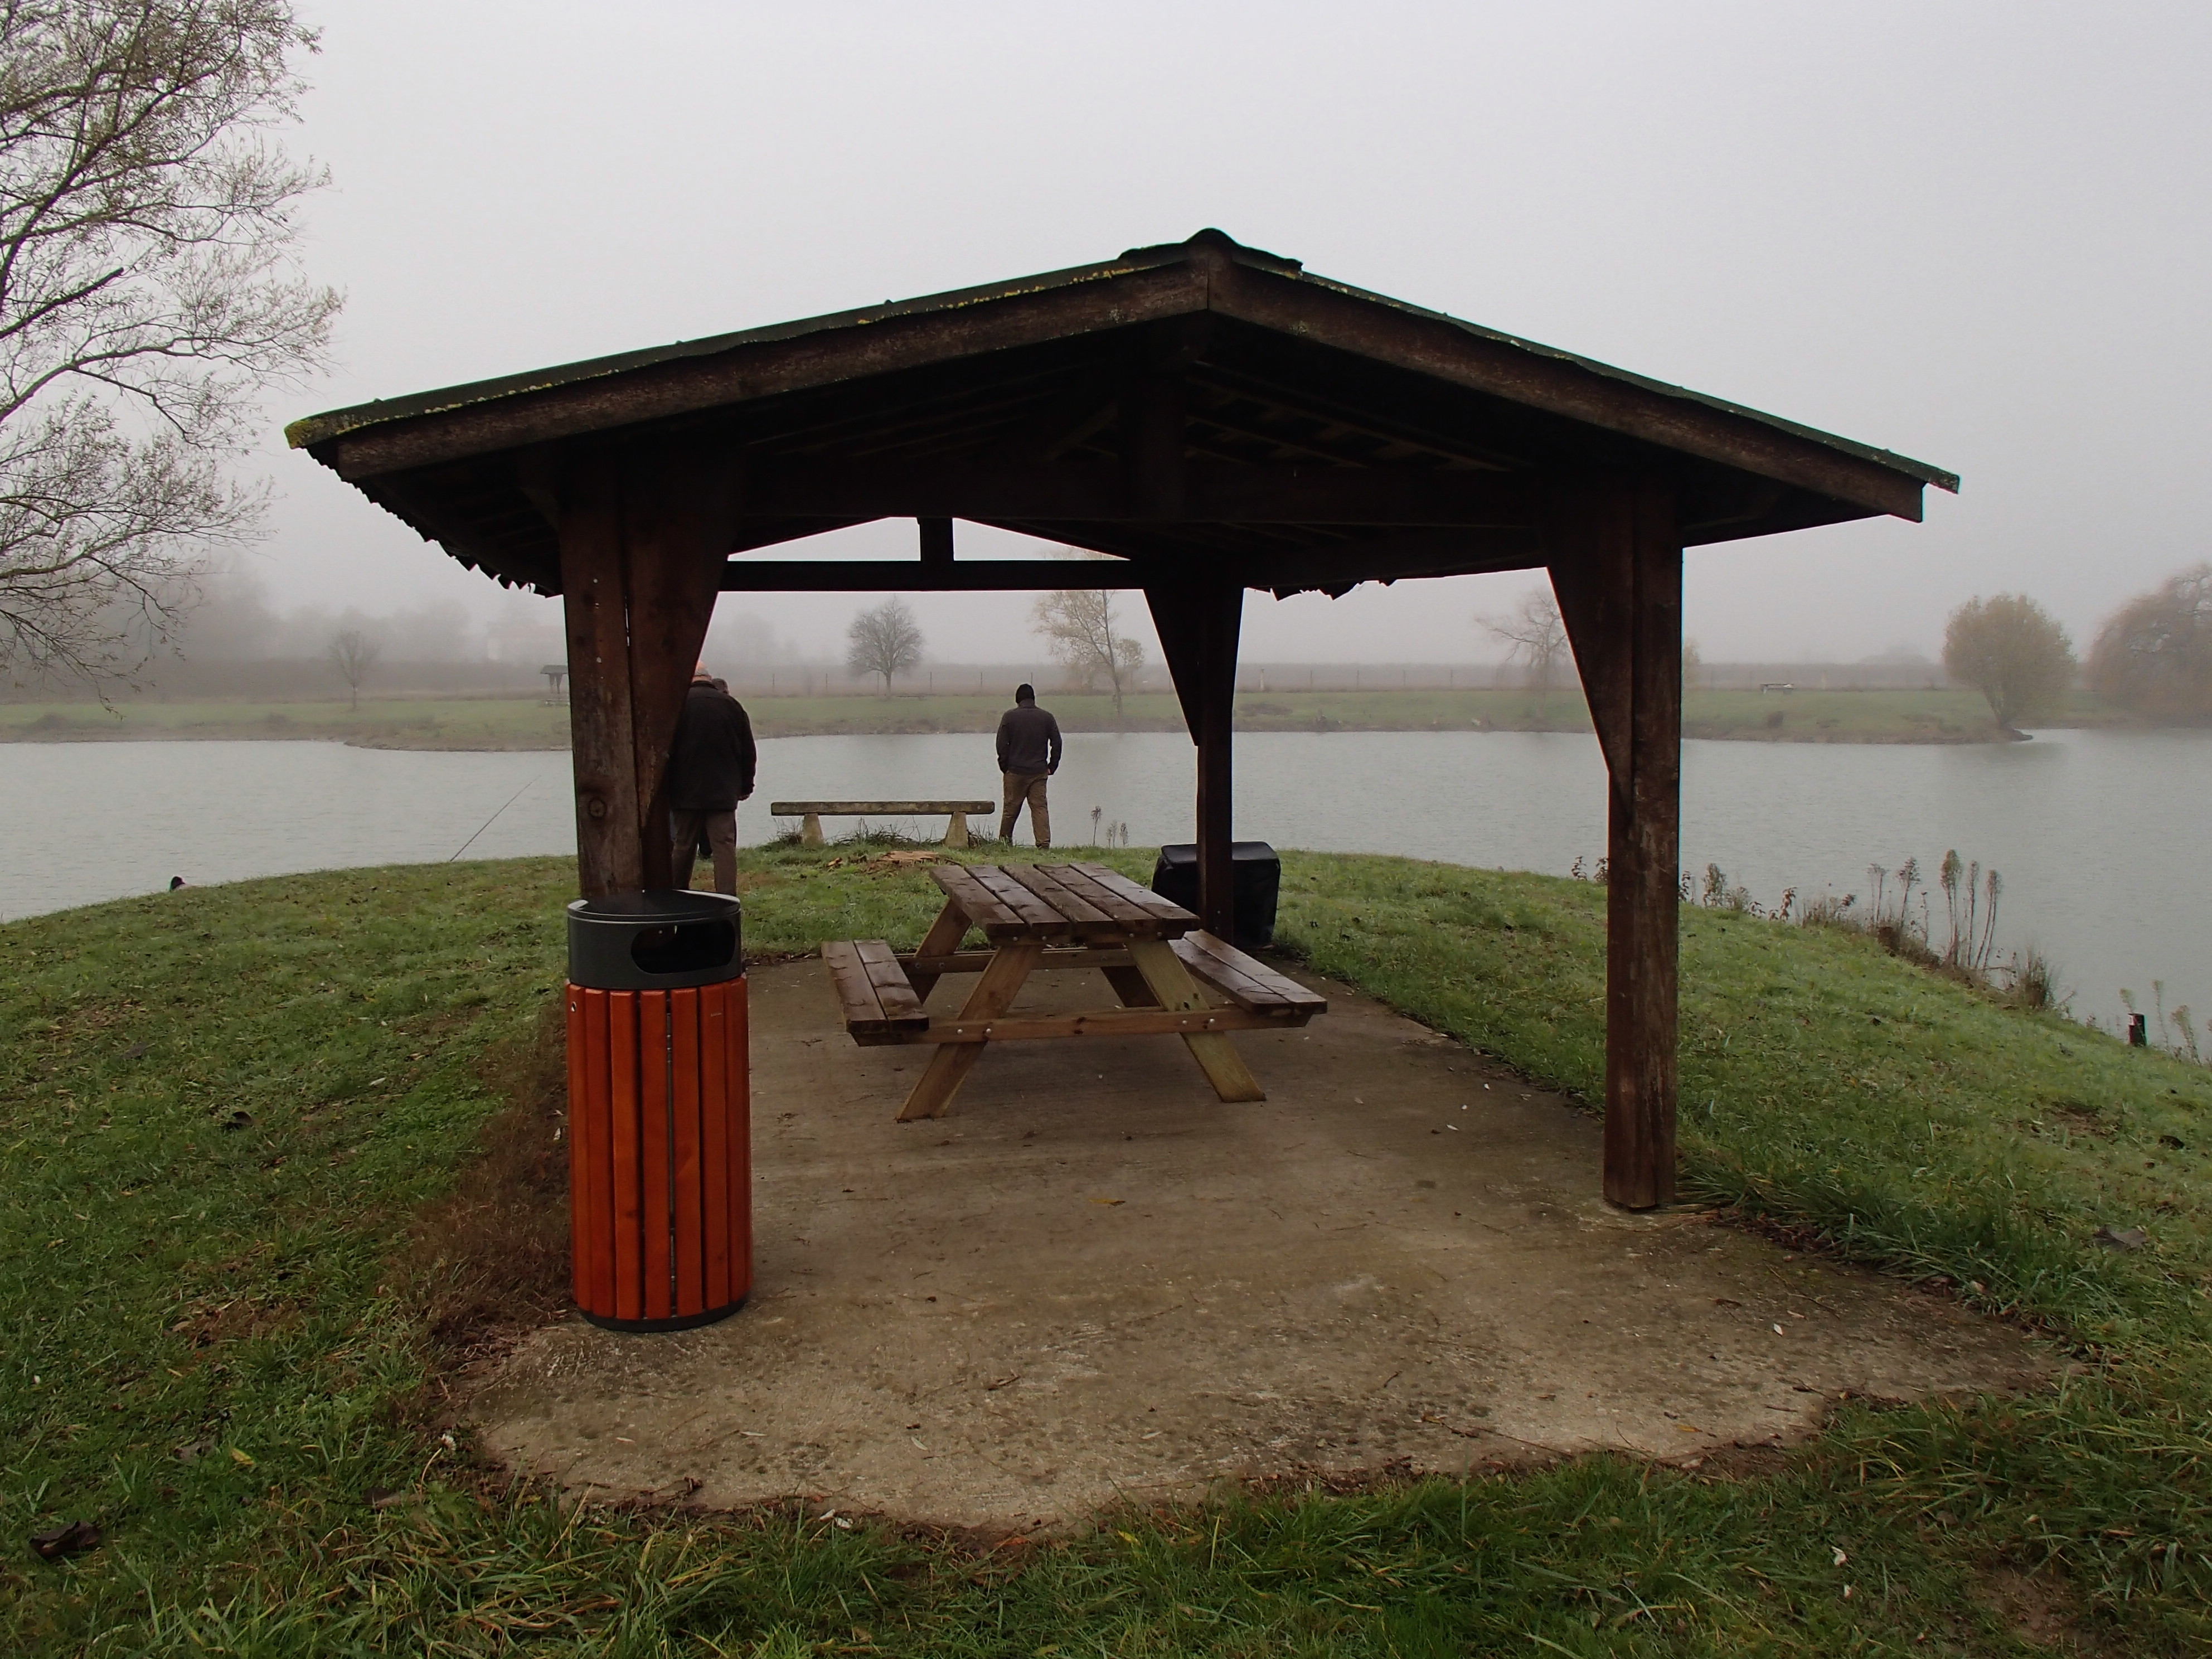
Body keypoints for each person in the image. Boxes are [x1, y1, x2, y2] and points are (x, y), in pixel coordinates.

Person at [667, 663, 756, 894]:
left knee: (683, 844)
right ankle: (727, 899)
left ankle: (677, 894)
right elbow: (748, 750)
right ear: (709, 678)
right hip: (723, 791)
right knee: (724, 846)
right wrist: (746, 785)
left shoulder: (676, 706)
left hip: (684, 791)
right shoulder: (732, 706)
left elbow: (664, 751)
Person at [995, 682, 1062, 846]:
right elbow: (1057, 743)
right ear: (1033, 699)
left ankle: (1004, 843)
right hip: (1039, 772)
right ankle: (1043, 844)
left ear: (1018, 700)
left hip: (1015, 772)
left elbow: (1001, 744)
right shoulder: (1047, 717)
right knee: (1039, 808)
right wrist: (1052, 766)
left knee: (1010, 810)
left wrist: (1005, 767)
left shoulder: (1009, 717)